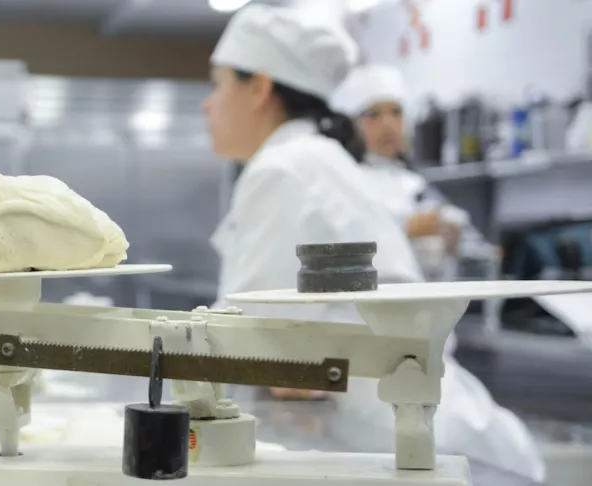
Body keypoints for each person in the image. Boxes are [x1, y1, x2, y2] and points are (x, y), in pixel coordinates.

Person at [203, 6, 545, 482]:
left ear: (260, 88)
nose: (207, 104)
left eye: (218, 84)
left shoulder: (285, 167)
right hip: (418, 429)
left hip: (421, 443)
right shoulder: (312, 158)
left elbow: (244, 336)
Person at [331, 65, 487, 280]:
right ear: (351, 124)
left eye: (396, 113)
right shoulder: (343, 178)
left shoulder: (414, 183)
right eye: (373, 115)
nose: (388, 125)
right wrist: (406, 228)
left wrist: (454, 238)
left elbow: (469, 242)